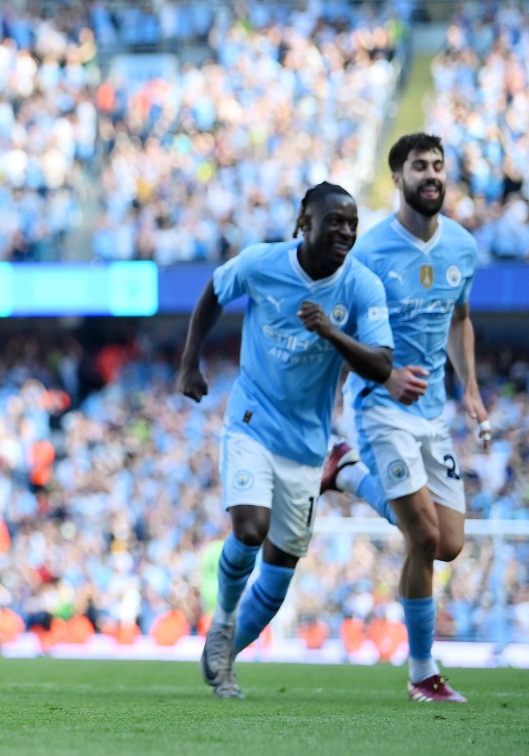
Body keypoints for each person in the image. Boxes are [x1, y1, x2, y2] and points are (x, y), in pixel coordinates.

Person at [176, 183, 393, 699]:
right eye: (334, 221)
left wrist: (332, 333)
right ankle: (224, 620)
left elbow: (382, 365)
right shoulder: (262, 264)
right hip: (251, 417)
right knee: (250, 529)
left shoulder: (362, 286)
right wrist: (190, 362)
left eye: (352, 223)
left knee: (279, 570)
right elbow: (213, 290)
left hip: (307, 444)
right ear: (305, 222)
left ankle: (224, 654)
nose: (344, 230)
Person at [326, 133, 490, 703]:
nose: (432, 175)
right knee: (420, 536)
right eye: (420, 166)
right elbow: (340, 335)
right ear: (397, 177)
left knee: (448, 544)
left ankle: (347, 476)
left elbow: (459, 318)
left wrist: (469, 387)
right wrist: (378, 378)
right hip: (380, 409)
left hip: (433, 413)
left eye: (438, 166)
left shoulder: (462, 248)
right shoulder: (367, 254)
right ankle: (424, 673)